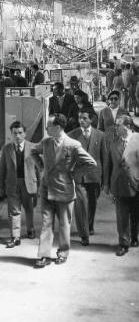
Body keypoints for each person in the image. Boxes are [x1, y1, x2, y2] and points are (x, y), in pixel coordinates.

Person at [32, 114, 96, 268]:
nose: (46, 128)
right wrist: (41, 168)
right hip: (47, 188)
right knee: (46, 223)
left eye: (49, 126)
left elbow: (91, 163)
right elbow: (33, 151)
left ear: (58, 127)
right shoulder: (46, 142)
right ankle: (44, 255)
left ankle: (63, 252)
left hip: (64, 189)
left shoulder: (73, 145)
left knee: (64, 224)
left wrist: (73, 173)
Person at [0, 121, 40, 248]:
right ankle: (15, 237)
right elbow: (2, 169)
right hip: (13, 184)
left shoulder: (33, 147)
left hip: (29, 183)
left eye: (20, 133)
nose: (17, 136)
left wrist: (40, 186)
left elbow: (39, 168)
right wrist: (0, 186)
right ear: (11, 134)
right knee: (14, 211)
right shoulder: (7, 148)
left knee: (29, 208)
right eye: (15, 133)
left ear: (25, 134)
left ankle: (30, 229)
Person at [68, 110, 106, 243]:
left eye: (84, 118)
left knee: (92, 203)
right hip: (79, 177)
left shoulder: (101, 136)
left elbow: (104, 158)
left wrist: (104, 179)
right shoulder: (72, 135)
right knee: (80, 204)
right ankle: (84, 230)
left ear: (91, 120)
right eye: (79, 118)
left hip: (95, 176)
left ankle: (89, 225)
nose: (81, 120)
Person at [104, 115, 139, 255]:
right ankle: (123, 243)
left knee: (136, 213)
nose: (115, 127)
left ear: (127, 127)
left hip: (136, 183)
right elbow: (108, 164)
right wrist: (106, 184)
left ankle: (134, 236)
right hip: (119, 183)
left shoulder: (137, 140)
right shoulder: (113, 142)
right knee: (122, 215)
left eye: (118, 125)